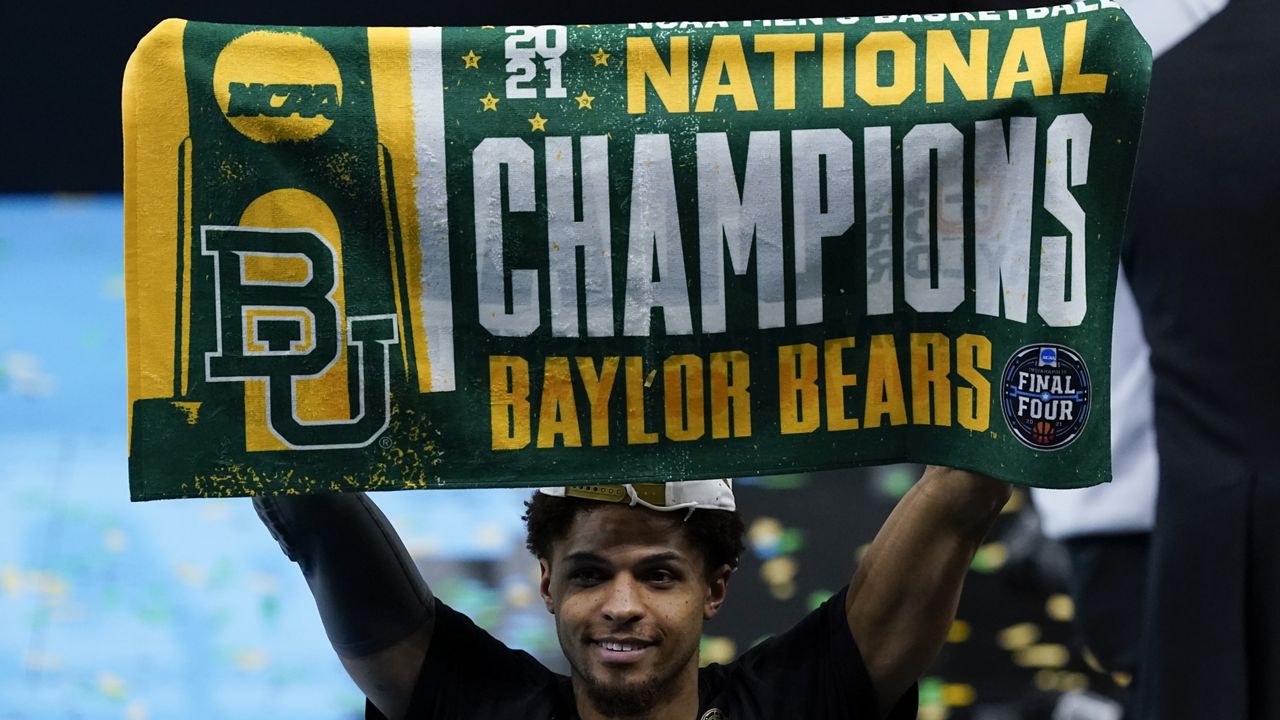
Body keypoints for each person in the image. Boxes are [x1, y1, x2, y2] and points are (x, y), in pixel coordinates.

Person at [255, 467, 1010, 719]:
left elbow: (964, 489)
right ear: (545, 582)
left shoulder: (796, 702)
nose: (621, 604)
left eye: (657, 574)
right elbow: (313, 510)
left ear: (715, 587)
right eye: (589, 574)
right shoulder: (483, 709)